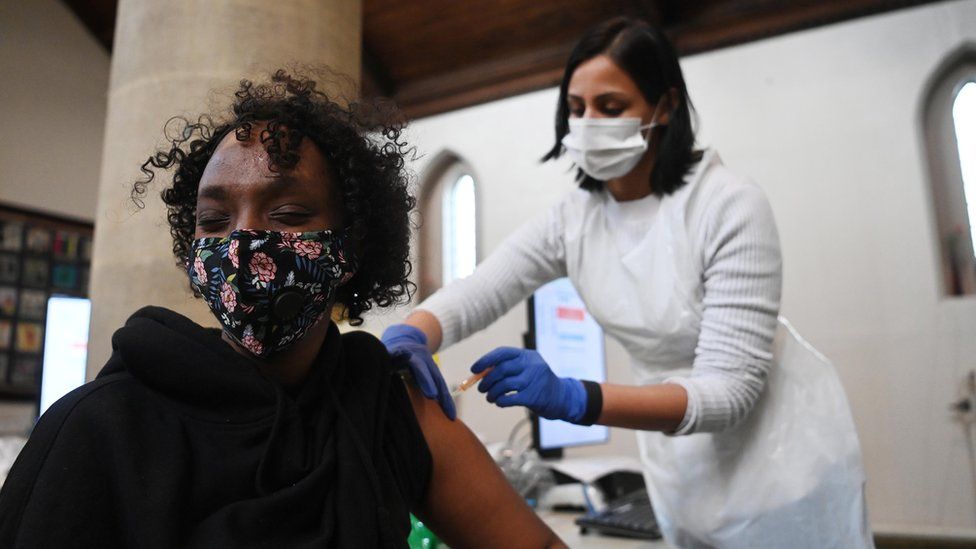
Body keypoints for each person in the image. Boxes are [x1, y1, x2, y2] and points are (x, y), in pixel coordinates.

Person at [0, 70, 565, 548]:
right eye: (215, 221)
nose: (243, 241)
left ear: (351, 248)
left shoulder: (383, 410)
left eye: (288, 215)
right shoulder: (97, 429)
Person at [383, 18, 872, 548]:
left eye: (611, 107)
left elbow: (730, 393)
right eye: (576, 108)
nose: (588, 122)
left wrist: (575, 397)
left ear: (665, 106)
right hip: (680, 465)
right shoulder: (575, 219)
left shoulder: (729, 205)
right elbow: (481, 289)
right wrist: (413, 334)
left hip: (779, 464)